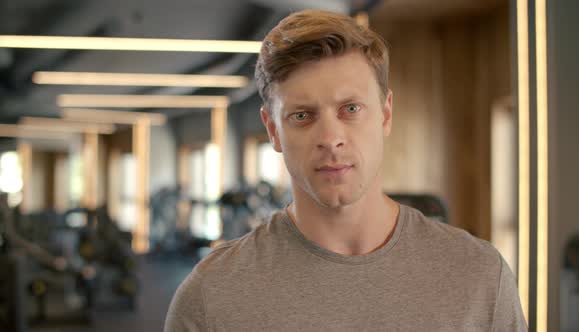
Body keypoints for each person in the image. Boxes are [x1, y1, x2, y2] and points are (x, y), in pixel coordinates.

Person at [165, 10, 527, 331]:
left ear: (385, 114)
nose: (330, 138)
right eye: (302, 116)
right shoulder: (210, 297)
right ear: (273, 131)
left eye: (350, 109)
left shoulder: (479, 276)